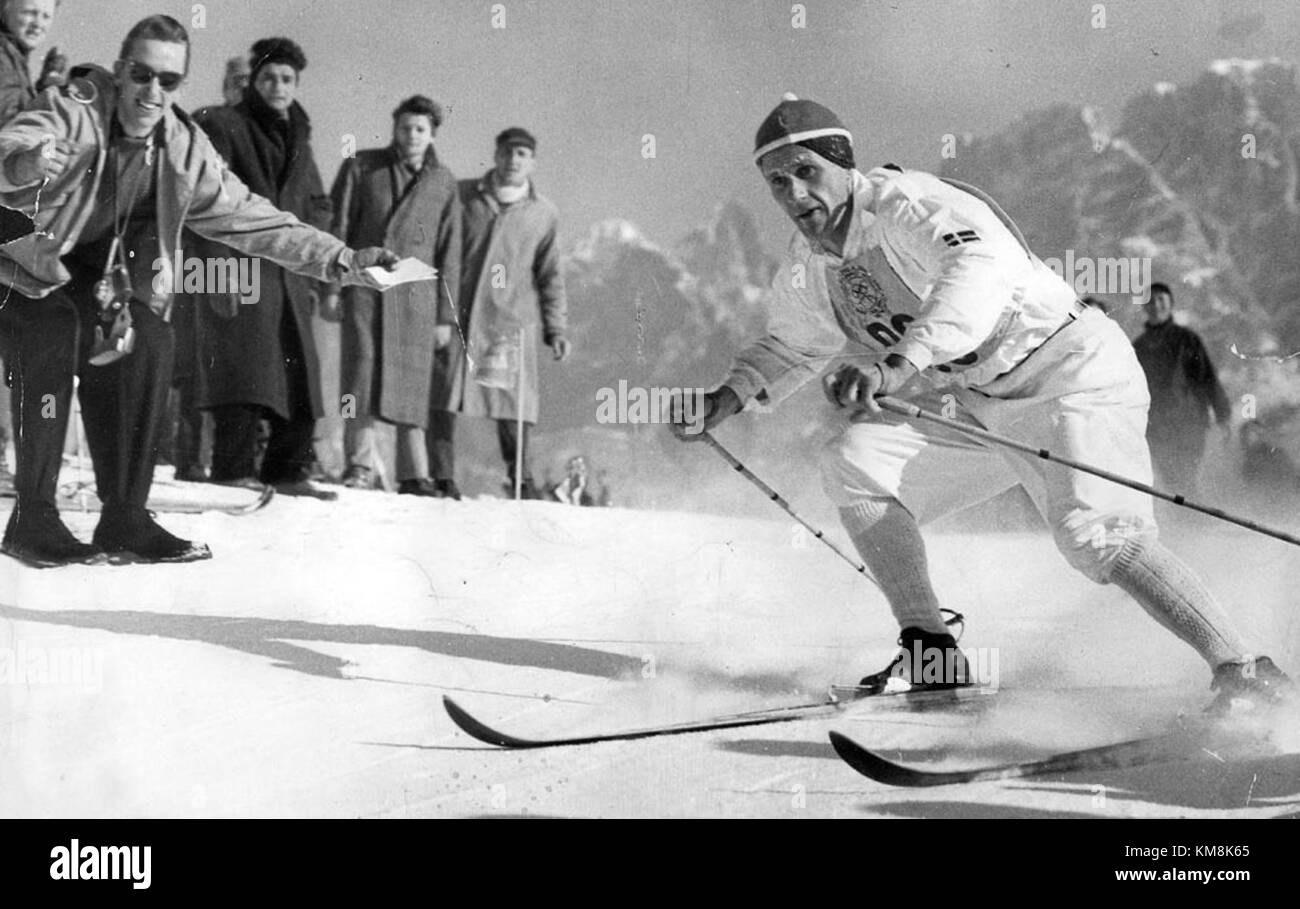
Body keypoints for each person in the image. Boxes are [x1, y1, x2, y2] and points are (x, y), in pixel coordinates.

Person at [670, 95, 1289, 711]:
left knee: (1092, 535)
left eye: (807, 172)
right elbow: (790, 343)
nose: (795, 194)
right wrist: (728, 397)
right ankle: (933, 656)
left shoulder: (908, 205)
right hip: (986, 402)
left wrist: (899, 364)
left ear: (844, 163)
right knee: (855, 460)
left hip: (1071, 369)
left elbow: (975, 273)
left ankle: (1244, 670)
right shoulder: (810, 265)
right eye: (778, 182)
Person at [0, 15, 397, 567]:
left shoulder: (181, 147)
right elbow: (16, 140)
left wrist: (344, 259)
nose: (151, 91)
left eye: (168, 80)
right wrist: (25, 161)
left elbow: (255, 218)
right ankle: (34, 518)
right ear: (120, 71)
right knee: (53, 327)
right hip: (13, 265)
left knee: (151, 339)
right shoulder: (77, 108)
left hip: (73, 276)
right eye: (140, 74)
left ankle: (125, 518)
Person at [191, 37, 340, 500]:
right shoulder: (224, 124)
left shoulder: (300, 136)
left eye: (287, 79)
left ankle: (287, 470)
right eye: (269, 77)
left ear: (296, 85)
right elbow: (205, 198)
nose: (278, 86)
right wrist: (219, 271)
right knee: (243, 371)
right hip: (238, 263)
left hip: (289, 270)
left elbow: (317, 202)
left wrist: (315, 263)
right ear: (254, 80)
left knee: (299, 372)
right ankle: (232, 468)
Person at [327, 94, 461, 495]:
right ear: (394, 128)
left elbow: (450, 253)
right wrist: (334, 286)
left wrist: (444, 317)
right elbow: (339, 226)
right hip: (366, 287)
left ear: (432, 133)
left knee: (413, 383)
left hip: (416, 296)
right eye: (405, 127)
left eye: (420, 128)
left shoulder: (443, 182)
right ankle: (359, 465)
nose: (412, 135)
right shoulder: (362, 167)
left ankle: (413, 473)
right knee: (360, 373)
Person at [428, 127, 570, 500]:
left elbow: (550, 274)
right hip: (457, 313)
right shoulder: (462, 196)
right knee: (442, 397)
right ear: (495, 155)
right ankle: (441, 477)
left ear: (532, 162)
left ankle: (520, 480)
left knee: (512, 404)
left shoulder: (543, 212)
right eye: (508, 152)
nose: (513, 160)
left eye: (522, 154)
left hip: (509, 319)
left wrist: (556, 329)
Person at [0, 0, 65, 497]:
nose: (38, 22)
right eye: (28, 10)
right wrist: (48, 97)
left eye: (46, 14)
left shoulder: (14, 57)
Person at [1132, 282, 1232, 493]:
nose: (1156, 305)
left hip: (1189, 420)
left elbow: (1207, 377)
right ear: (1144, 306)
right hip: (1156, 426)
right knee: (1171, 480)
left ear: (1171, 304)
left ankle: (1194, 521)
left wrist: (1223, 414)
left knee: (1186, 475)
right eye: (1150, 300)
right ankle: (1188, 521)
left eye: (1161, 299)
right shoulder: (1139, 347)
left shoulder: (1187, 339)